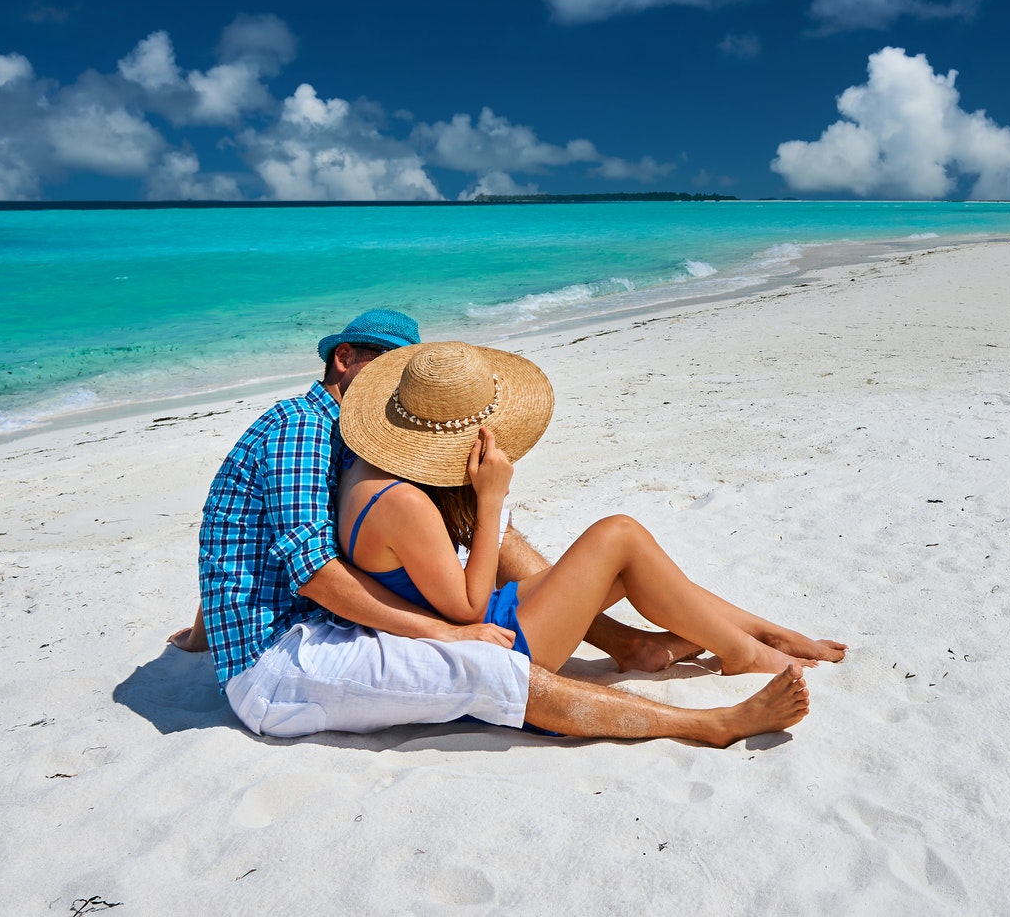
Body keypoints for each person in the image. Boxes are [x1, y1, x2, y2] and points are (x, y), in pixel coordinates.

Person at [179, 308, 810, 745]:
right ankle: (714, 723)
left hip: (321, 622)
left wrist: (208, 624)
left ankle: (708, 638)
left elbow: (246, 533)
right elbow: (312, 570)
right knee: (490, 671)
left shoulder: (351, 443)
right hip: (282, 657)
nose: (402, 394)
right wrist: (449, 635)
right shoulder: (303, 428)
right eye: (392, 374)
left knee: (586, 544)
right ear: (346, 360)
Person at [334, 340, 846, 678]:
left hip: (490, 620)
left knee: (631, 563)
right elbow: (465, 610)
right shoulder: (402, 501)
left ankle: (755, 632)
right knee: (619, 534)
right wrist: (489, 501)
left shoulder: (365, 470)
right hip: (499, 649)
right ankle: (745, 651)